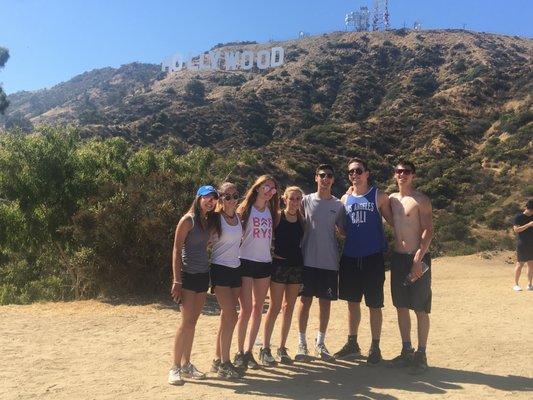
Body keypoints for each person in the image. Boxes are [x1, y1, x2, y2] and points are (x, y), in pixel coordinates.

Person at [334, 158, 393, 366]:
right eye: (351, 172)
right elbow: (342, 231)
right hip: (350, 257)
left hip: (372, 257)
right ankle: (353, 343)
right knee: (352, 303)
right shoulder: (344, 199)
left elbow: (394, 222)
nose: (354, 175)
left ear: (367, 173)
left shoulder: (378, 196)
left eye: (359, 171)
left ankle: (375, 346)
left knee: (374, 304)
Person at [168, 185, 218, 386]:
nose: (210, 202)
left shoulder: (208, 221)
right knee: (186, 322)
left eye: (213, 199)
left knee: (193, 322)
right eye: (207, 198)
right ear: (198, 198)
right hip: (187, 276)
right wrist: (177, 280)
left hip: (202, 276)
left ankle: (187, 364)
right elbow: (176, 249)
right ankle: (174, 367)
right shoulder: (187, 220)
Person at [296, 164, 345, 362]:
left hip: (329, 262)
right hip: (307, 261)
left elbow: (343, 231)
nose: (325, 179)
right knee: (305, 302)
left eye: (329, 176)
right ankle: (302, 343)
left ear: (333, 180)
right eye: (322, 175)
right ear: (316, 177)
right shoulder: (305, 201)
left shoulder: (338, 205)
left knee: (325, 304)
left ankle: (320, 343)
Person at [388, 160, 433, 374]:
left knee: (421, 308)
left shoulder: (421, 200)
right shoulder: (392, 200)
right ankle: (407, 350)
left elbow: (428, 231)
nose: (402, 175)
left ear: (413, 175)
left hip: (417, 257)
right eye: (399, 171)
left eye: (406, 171)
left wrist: (418, 259)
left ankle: (421, 354)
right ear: (394, 175)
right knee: (401, 306)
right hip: (397, 258)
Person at [234, 175, 280, 370]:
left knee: (258, 308)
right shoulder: (245, 209)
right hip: (245, 261)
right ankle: (238, 352)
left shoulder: (272, 211)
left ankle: (249, 351)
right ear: (257, 187)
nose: (269, 190)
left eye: (273, 188)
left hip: (264, 263)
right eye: (266, 186)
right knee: (245, 310)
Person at [260, 186, 305, 366]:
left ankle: (282, 348)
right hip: (279, 266)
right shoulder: (278, 216)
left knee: (289, 307)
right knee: (275, 307)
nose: (294, 202)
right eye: (291, 198)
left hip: (296, 266)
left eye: (298, 199)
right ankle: (265, 348)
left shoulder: (302, 219)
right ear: (284, 199)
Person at [209, 182, 244, 378]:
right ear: (220, 198)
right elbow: (202, 238)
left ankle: (217, 359)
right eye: (227, 196)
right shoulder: (216, 219)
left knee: (227, 316)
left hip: (235, 269)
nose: (231, 199)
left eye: (234, 195)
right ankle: (225, 363)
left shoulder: (238, 218)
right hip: (220, 269)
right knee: (231, 315)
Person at [512, 199, 533, 291]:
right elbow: (516, 230)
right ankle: (516, 284)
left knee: (531, 264)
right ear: (526, 208)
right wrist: (528, 225)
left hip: (532, 244)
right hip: (522, 243)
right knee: (520, 264)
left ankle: (529, 284)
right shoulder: (519, 217)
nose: (532, 212)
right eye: (531, 210)